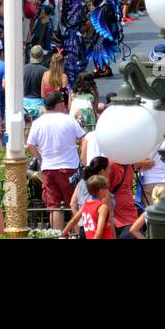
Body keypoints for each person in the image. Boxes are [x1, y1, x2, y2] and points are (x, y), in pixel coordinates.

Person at [27, 91, 85, 231]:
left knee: (53, 206)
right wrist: (82, 159)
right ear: (59, 105)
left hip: (48, 168)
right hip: (69, 167)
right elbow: (83, 138)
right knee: (74, 204)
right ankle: (78, 235)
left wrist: (41, 158)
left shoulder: (38, 122)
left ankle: (58, 235)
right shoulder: (69, 120)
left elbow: (30, 145)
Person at [62, 174, 115, 239]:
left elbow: (74, 220)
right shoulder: (102, 207)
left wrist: (65, 231)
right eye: (106, 187)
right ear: (101, 191)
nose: (108, 190)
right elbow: (99, 232)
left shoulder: (86, 204)